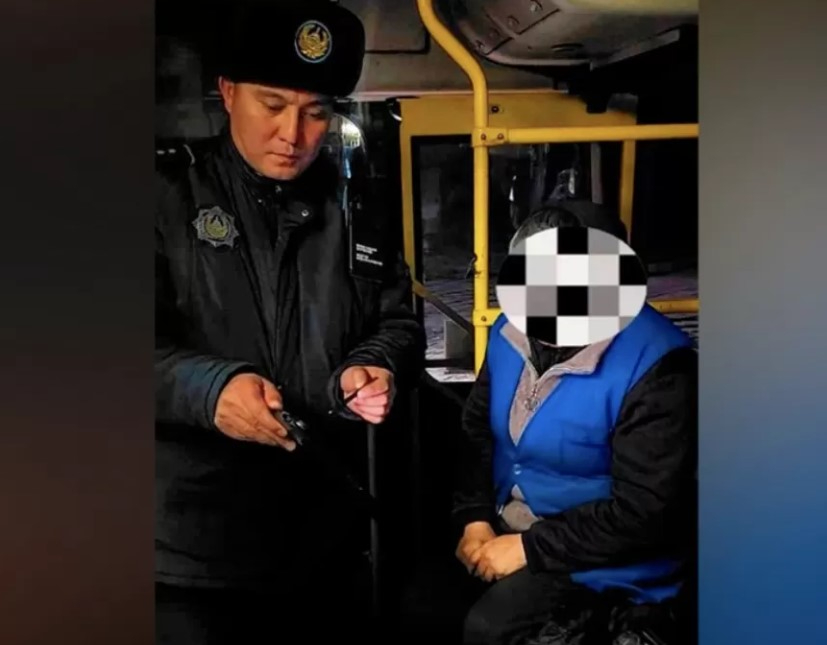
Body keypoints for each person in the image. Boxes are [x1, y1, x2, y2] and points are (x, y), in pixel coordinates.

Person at [154, 2, 425, 643]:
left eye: (315, 113)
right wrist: (210, 391)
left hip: (324, 540)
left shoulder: (356, 207)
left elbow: (398, 322)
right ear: (227, 92)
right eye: (272, 104)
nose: (292, 134)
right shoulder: (163, 197)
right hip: (192, 552)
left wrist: (374, 365)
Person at [401, 204, 697, 645]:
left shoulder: (660, 366)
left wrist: (529, 548)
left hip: (601, 557)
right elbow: (477, 433)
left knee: (491, 629)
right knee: (420, 605)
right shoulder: (508, 333)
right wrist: (474, 518)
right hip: (509, 525)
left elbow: (645, 510)